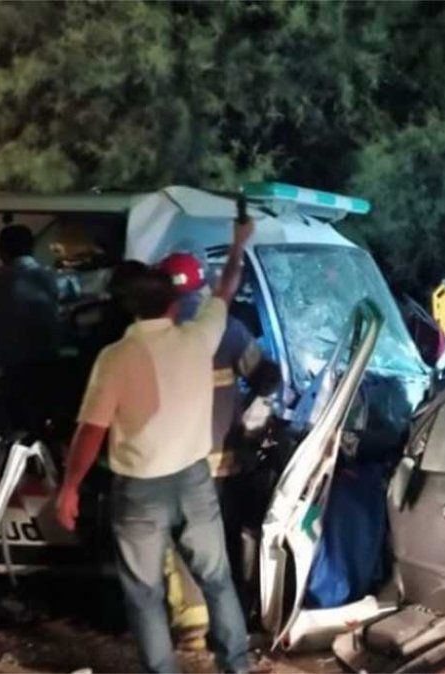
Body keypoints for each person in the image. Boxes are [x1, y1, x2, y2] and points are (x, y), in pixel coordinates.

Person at [55, 217, 255, 673]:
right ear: (174, 303)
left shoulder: (116, 358)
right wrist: (240, 242)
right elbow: (226, 287)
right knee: (217, 579)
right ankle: (237, 666)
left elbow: (92, 430)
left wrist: (69, 488)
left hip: (140, 490)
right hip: (195, 479)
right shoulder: (197, 339)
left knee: (144, 593)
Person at [160, 251, 281, 629]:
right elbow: (267, 377)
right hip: (223, 462)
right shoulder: (226, 329)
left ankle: (192, 623)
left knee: (181, 545)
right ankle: (230, 623)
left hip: (173, 463)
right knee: (224, 542)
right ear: (202, 283)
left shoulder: (154, 332)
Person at [0, 224, 69, 436]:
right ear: (32, 248)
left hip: (12, 366)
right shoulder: (54, 278)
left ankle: (20, 462)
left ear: (1, 250)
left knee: (16, 424)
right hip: (51, 363)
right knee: (46, 420)